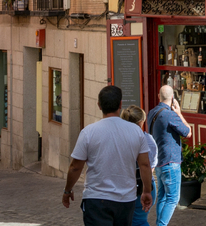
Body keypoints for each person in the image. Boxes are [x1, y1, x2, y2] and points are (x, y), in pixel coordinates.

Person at [63, 85, 154, 226]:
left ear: (99, 106)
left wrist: (68, 189)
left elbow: (75, 167)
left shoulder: (88, 132)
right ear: (120, 104)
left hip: (97, 199)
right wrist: (147, 191)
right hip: (126, 199)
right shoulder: (136, 131)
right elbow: (145, 165)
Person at [145, 85, 192, 226]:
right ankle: (161, 225)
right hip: (171, 162)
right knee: (173, 199)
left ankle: (160, 223)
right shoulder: (170, 115)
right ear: (172, 98)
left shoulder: (152, 112)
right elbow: (188, 132)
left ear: (158, 96)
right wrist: (179, 113)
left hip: (159, 162)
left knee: (162, 197)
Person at [121, 105, 158, 226]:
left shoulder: (119, 139)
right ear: (141, 122)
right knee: (138, 220)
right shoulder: (148, 139)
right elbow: (150, 165)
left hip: (126, 185)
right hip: (143, 184)